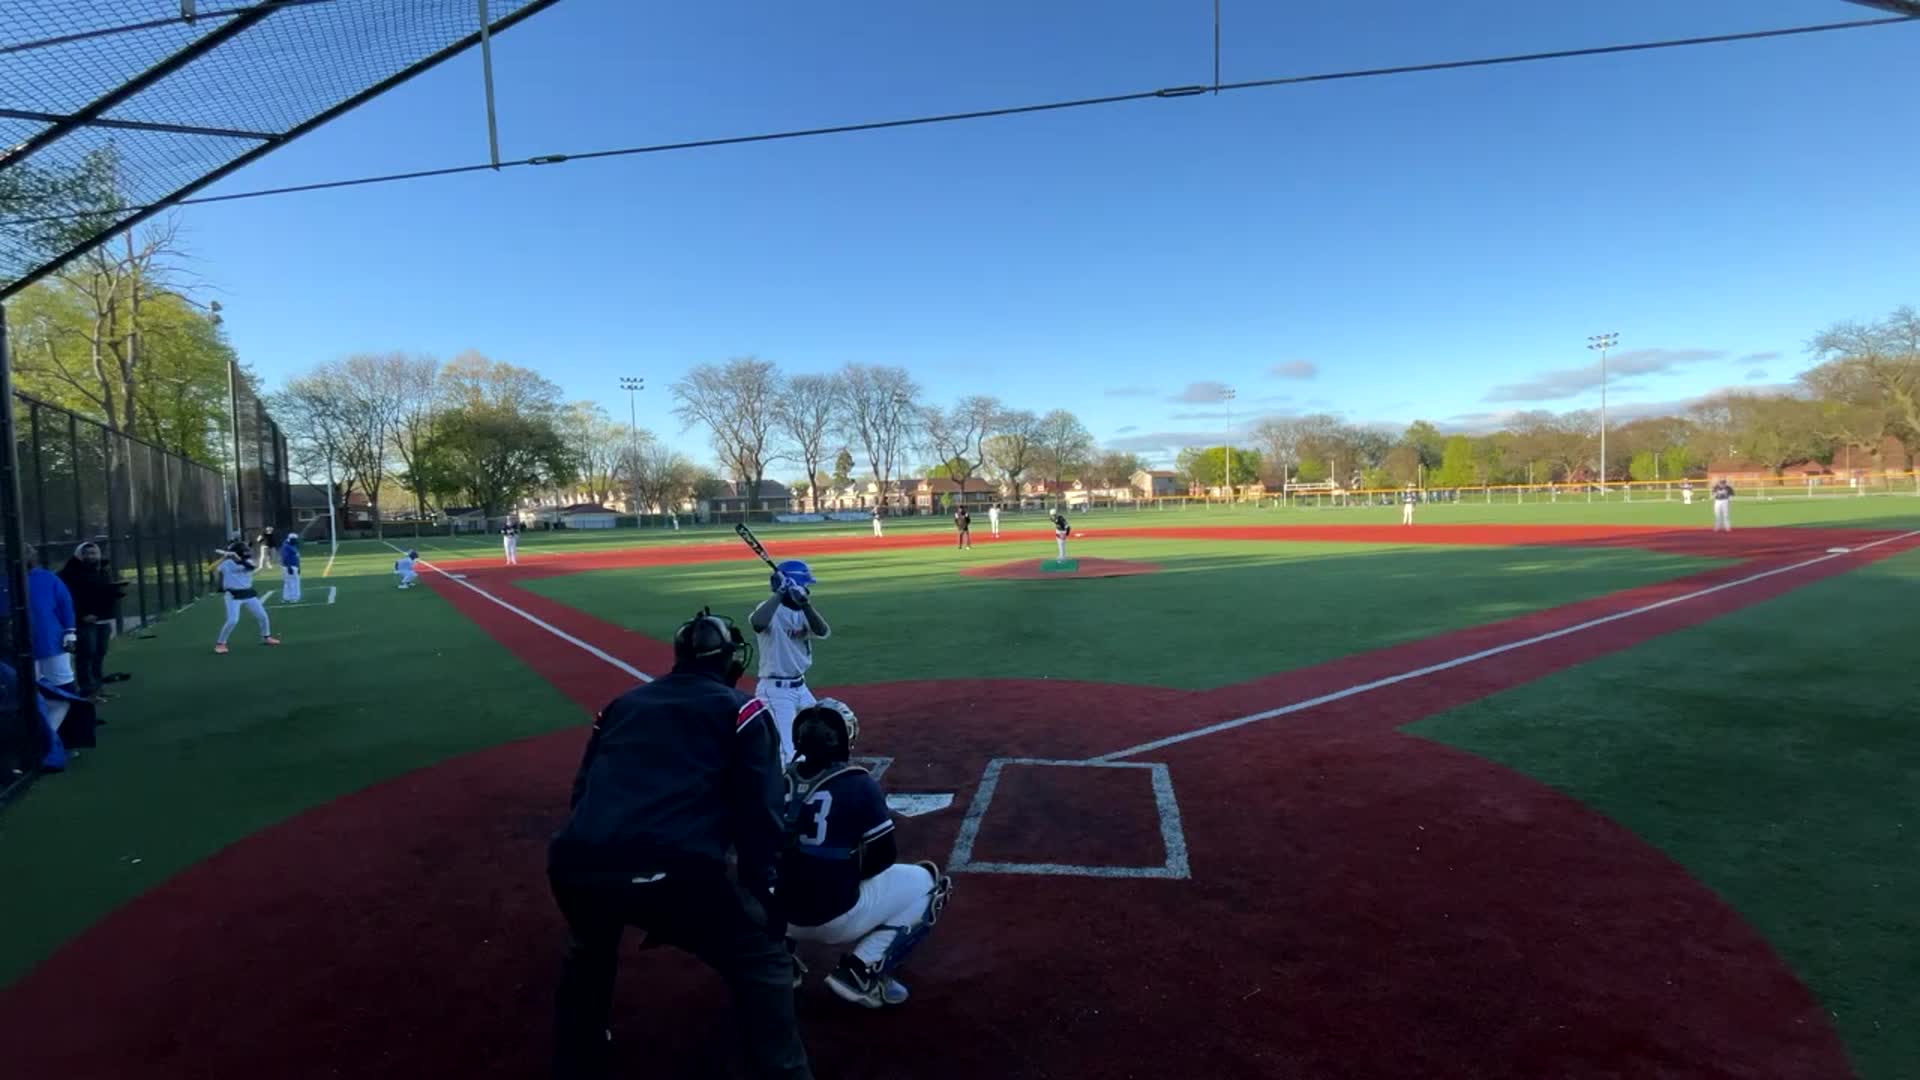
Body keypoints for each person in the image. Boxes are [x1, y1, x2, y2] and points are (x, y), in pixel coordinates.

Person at [547, 609, 812, 1080]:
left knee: (589, 949)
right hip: (671, 871)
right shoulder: (744, 709)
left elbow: (580, 793)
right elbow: (761, 812)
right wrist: (761, 890)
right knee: (762, 960)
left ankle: (577, 1055)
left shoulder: (620, 705)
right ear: (732, 659)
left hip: (576, 862)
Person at [782, 699, 952, 1008]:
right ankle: (861, 972)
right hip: (835, 914)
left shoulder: (774, 781)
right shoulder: (857, 784)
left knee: (771, 872)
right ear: (843, 741)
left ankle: (778, 962)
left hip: (777, 914)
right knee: (930, 881)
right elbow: (883, 856)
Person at [750, 560, 831, 765]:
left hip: (800, 688)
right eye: (805, 585)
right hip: (776, 691)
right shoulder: (769, 610)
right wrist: (779, 594)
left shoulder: (802, 611)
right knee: (788, 750)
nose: (807, 589)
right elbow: (757, 623)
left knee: (821, 730)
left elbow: (822, 631)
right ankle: (788, 794)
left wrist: (806, 604)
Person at [57, 542, 125, 698]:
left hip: (103, 619)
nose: (90, 556)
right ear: (79, 555)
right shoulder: (69, 573)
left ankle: (99, 688)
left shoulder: (103, 570)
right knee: (86, 654)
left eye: (93, 553)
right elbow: (68, 598)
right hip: (85, 621)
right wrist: (82, 615)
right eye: (86, 553)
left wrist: (116, 592)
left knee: (99, 653)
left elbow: (104, 591)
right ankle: (87, 690)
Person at [25, 545, 77, 693]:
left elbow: (65, 605)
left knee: (63, 683)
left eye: (29, 554)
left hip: (51, 641)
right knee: (28, 689)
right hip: (17, 645)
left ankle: (71, 715)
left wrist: (70, 633)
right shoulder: (5, 580)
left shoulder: (48, 578)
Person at [213, 540, 279, 654]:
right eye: (243, 551)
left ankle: (266, 637)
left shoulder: (248, 562)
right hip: (233, 595)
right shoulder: (226, 563)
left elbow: (250, 566)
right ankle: (220, 643)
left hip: (248, 594)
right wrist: (225, 558)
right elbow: (212, 569)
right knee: (233, 620)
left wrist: (235, 557)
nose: (246, 553)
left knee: (262, 616)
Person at [280, 533, 303, 603]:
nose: (296, 541)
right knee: (293, 582)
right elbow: (285, 557)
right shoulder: (286, 546)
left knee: (288, 583)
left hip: (293, 566)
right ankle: (294, 597)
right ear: (291, 539)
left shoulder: (292, 545)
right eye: (295, 540)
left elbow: (297, 557)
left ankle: (286, 597)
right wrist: (289, 567)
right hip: (290, 567)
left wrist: (299, 567)